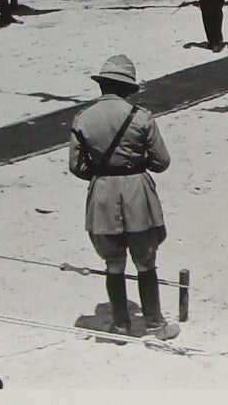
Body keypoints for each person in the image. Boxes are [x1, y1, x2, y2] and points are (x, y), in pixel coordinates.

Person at [69, 54, 179, 341]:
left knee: (113, 264)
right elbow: (162, 161)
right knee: (145, 261)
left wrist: (102, 174)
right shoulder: (141, 117)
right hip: (136, 191)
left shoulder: (83, 118)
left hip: (102, 193)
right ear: (128, 88)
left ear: (102, 84)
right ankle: (155, 324)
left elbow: (76, 166)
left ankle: (120, 325)